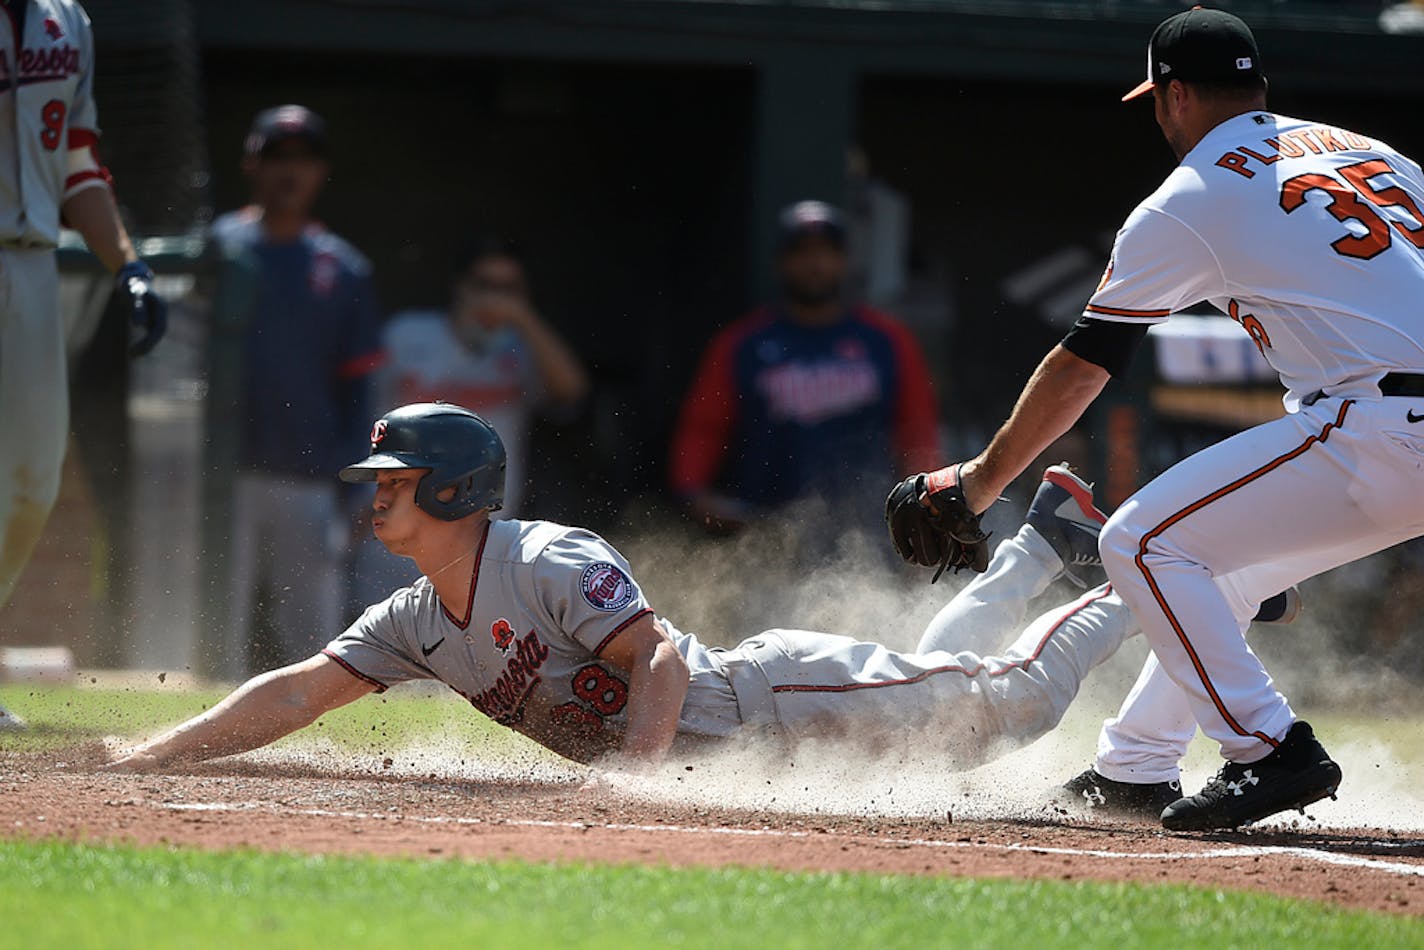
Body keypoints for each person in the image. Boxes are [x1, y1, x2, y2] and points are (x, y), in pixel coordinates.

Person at [890, 7, 1424, 831]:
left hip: (1383, 427)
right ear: (1259, 89)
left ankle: (1269, 750)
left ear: (1172, 96)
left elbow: (1084, 363)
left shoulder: (1191, 196)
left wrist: (979, 481)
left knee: (1139, 539)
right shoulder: (1371, 152)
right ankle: (1136, 768)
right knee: (1224, 566)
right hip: (1389, 423)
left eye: (1157, 102)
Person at [106, 403, 1178, 776]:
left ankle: (1132, 563)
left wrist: (639, 780)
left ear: (446, 487)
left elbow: (656, 657)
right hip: (766, 731)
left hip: (768, 702)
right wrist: (154, 751)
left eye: (390, 480)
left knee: (1010, 707)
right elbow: (296, 692)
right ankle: (1040, 547)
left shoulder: (544, 557)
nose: (373, 496)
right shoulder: (416, 620)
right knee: (947, 676)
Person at [0, 0, 166, 730]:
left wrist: (126, 264)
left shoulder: (67, 18)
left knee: (30, 486)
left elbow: (77, 158)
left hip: (34, 264)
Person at [210, 105, 382, 679]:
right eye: (277, 157)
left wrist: (361, 483)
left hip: (309, 474)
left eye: (303, 159)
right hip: (219, 473)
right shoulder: (216, 248)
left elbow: (360, 388)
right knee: (212, 625)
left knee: (313, 635)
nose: (290, 171)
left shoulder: (343, 267)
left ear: (321, 171)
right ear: (250, 166)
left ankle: (314, 754)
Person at [670, 200, 941, 536]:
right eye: (802, 253)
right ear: (782, 263)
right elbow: (704, 427)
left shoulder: (886, 339)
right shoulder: (743, 342)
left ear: (843, 261)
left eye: (825, 252)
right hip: (768, 526)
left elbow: (916, 429)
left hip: (867, 524)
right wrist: (693, 491)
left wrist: (922, 503)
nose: (814, 264)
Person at [376, 238, 588, 518]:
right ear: (460, 284)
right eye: (484, 285)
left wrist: (523, 317)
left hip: (487, 521)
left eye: (508, 289)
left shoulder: (525, 346)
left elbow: (574, 390)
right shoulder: (407, 333)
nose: (496, 299)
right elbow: (355, 408)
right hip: (399, 515)